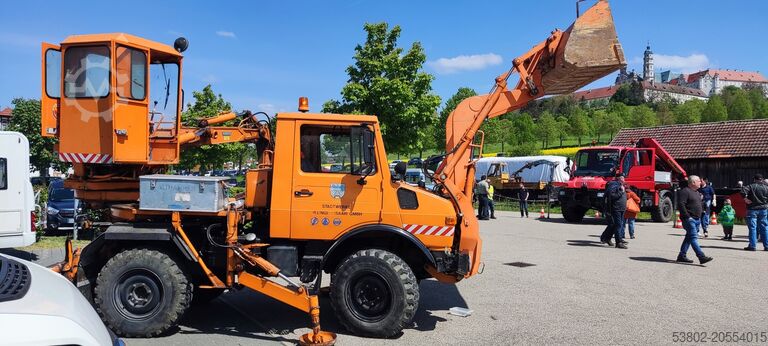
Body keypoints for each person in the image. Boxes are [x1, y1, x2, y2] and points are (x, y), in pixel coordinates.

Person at [676, 175, 714, 264]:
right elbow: (681, 205)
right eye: (698, 181)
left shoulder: (696, 192)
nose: (700, 182)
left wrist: (703, 208)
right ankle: (701, 256)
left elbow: (698, 203)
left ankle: (682, 255)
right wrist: (687, 217)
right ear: (693, 182)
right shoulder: (685, 191)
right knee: (693, 237)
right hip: (689, 219)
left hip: (697, 219)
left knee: (689, 238)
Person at [741, 173, 768, 251]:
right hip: (763, 209)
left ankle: (752, 246)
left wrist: (745, 199)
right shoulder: (766, 187)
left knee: (753, 228)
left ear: (754, 179)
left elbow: (742, 191)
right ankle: (766, 246)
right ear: (762, 179)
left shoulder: (751, 186)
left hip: (752, 209)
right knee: (764, 227)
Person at [600, 172, 627, 249]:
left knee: (615, 225)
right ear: (618, 178)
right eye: (622, 177)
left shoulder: (620, 186)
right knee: (617, 225)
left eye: (623, 177)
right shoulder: (614, 185)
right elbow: (612, 196)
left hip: (621, 208)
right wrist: (621, 191)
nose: (623, 179)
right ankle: (618, 242)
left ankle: (607, 238)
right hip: (616, 208)